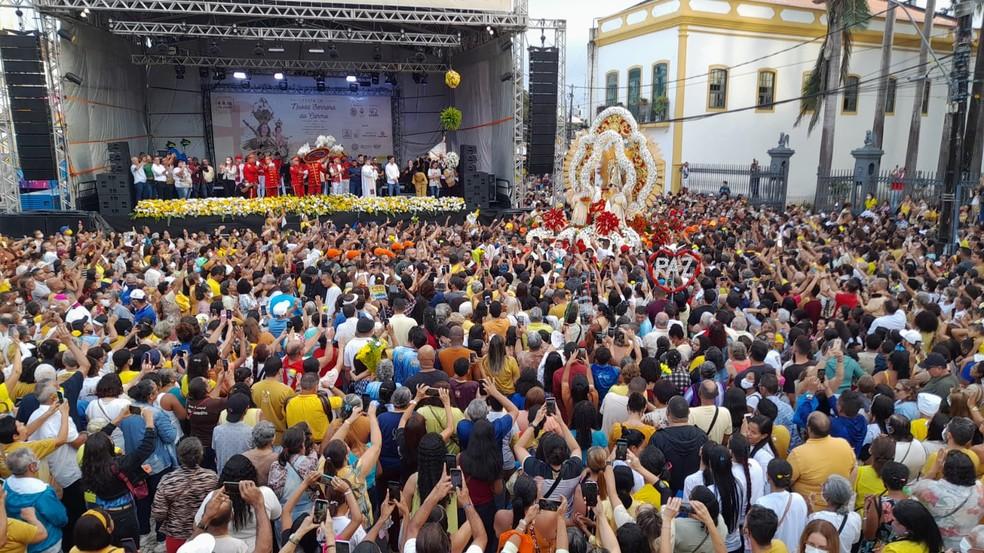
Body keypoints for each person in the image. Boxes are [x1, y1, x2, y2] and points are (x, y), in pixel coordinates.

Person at [152, 437, 218, 553]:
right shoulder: (212, 478)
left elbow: (158, 514)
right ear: (201, 455)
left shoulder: (168, 480)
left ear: (179, 456)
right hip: (205, 534)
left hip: (176, 535)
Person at [3, 448, 66, 553]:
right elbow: (61, 519)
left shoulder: (6, 485)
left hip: (23, 543)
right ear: (32, 467)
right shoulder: (43, 492)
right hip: (47, 545)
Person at [788, 413, 856, 510]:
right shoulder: (844, 444)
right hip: (839, 509)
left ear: (809, 429)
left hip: (810, 511)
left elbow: (786, 482)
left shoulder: (797, 454)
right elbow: (854, 470)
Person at [650, 396, 708, 495]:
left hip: (666, 494)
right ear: (689, 413)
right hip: (695, 493)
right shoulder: (701, 436)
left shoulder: (658, 438)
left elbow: (651, 467)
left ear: (667, 413)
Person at [807, 475, 862, 553]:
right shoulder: (855, 518)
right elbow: (855, 540)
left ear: (826, 496)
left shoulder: (816, 518)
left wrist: (810, 511)